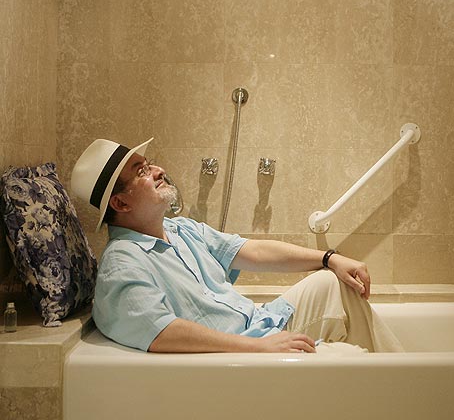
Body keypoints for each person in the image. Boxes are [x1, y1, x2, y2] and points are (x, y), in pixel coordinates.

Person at [71, 138, 403, 353]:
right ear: (121, 203)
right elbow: (159, 331)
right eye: (142, 170)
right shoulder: (123, 263)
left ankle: (401, 382)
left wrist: (330, 258)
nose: (158, 170)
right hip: (241, 354)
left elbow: (254, 252)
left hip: (258, 324)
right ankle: (401, 390)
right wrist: (258, 348)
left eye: (149, 163)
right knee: (354, 359)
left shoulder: (180, 229)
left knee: (334, 282)